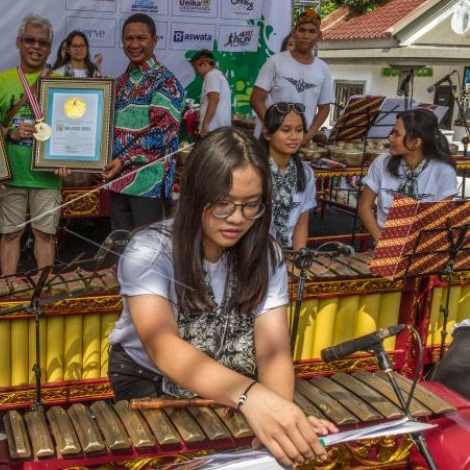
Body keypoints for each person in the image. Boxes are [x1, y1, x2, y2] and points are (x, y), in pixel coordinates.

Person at [107, 128, 336, 468]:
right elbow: (162, 345)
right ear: (196, 194)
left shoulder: (267, 253)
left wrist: (279, 414)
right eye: (223, 204)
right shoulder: (150, 249)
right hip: (152, 384)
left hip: (232, 382)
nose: (237, 218)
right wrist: (252, 398)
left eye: (251, 205)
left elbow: (272, 350)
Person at [0, 14, 69, 276]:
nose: (36, 47)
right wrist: (10, 132)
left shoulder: (62, 83)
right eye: (30, 40)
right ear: (18, 43)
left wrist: (68, 158)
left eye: (43, 43)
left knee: (44, 235)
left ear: (50, 48)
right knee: (11, 234)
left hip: (47, 177)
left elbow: (71, 131)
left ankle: (42, 294)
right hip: (11, 174)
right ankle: (7, 289)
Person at [103, 13, 184, 231]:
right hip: (118, 180)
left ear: (154, 40)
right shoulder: (120, 83)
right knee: (121, 247)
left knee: (147, 253)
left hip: (149, 183)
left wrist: (124, 160)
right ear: (122, 41)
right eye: (129, 39)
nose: (134, 44)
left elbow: (161, 135)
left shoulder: (166, 82)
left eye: (141, 38)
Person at [358, 108, 457, 242]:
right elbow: (364, 206)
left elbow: (439, 219)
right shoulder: (381, 162)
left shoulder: (444, 171)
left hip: (424, 243)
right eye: (392, 132)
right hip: (386, 240)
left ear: (416, 142)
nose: (391, 138)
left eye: (397, 134)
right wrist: (381, 240)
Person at [250, 9, 333, 145]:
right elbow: (256, 99)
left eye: (312, 31)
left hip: (298, 141)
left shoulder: (323, 68)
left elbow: (324, 108)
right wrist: (273, 127)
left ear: (319, 35)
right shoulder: (275, 62)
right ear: (294, 33)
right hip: (268, 140)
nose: (306, 36)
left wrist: (308, 134)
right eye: (302, 30)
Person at [260, 102, 316, 249]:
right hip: (256, 252)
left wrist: (298, 261)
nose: (294, 137)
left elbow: (301, 226)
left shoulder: (306, 173)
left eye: (299, 130)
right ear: (266, 133)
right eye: (285, 130)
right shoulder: (254, 170)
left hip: (287, 252)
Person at [189, 49, 231, 137]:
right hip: (218, 127)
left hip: (213, 128)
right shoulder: (217, 74)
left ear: (204, 64)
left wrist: (205, 124)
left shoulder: (211, 75)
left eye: (197, 69)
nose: (196, 73)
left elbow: (214, 100)